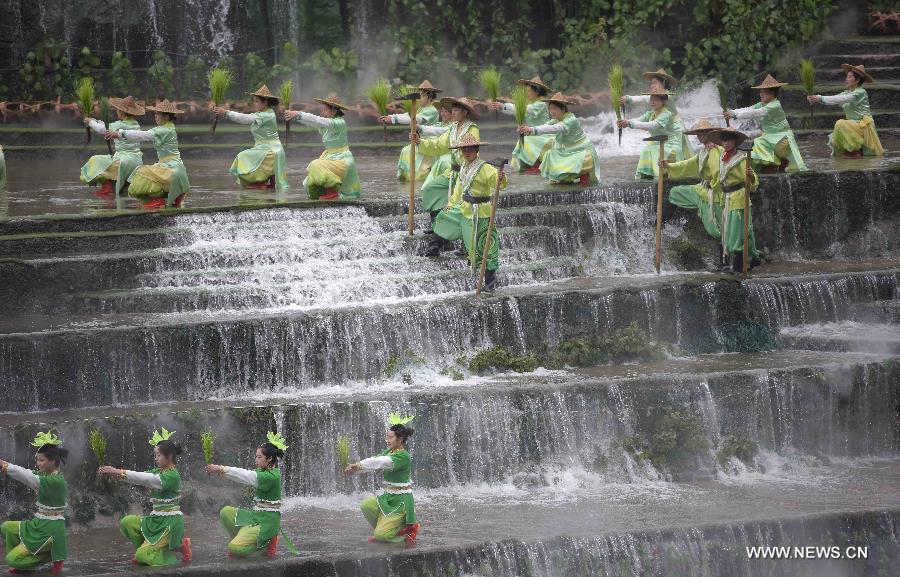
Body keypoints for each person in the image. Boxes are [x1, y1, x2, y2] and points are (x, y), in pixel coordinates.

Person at [415, 133, 506, 290]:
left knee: (486, 246)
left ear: (477, 149)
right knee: (445, 220)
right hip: (465, 209)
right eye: (464, 150)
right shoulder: (463, 166)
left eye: (470, 149)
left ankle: (489, 283)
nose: (467, 152)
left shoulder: (486, 168)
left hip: (482, 212)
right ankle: (436, 245)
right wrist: (451, 203)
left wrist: (501, 178)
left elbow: (499, 185)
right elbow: (459, 188)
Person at [98, 428, 191, 567]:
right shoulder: (159, 471)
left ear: (170, 456)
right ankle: (148, 548)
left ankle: (176, 547)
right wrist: (115, 475)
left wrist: (118, 471)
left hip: (170, 523)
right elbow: (140, 477)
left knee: (142, 557)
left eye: (158, 455)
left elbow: (147, 479)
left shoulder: (172, 476)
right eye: (155, 456)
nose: (156, 459)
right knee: (127, 522)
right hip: (156, 519)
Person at [205, 432, 289, 558]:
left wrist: (221, 468)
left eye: (259, 457)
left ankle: (266, 541)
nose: (256, 460)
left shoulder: (271, 476)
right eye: (256, 457)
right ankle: (242, 539)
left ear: (270, 459)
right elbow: (244, 476)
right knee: (225, 512)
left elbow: (247, 476)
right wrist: (220, 470)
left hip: (266, 523)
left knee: (234, 548)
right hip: (256, 518)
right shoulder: (264, 471)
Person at [344, 414, 419, 544]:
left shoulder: (403, 456)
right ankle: (385, 530)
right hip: (388, 496)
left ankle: (405, 529)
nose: (387, 440)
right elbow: (375, 462)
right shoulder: (390, 452)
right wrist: (355, 469)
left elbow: (380, 462)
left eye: (390, 437)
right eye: (387, 437)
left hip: (401, 501)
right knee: (366, 505)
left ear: (400, 439)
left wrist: (357, 465)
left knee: (380, 535)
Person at [0, 432, 68, 573]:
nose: (38, 463)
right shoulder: (46, 475)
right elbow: (28, 473)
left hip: (50, 529)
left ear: (53, 461)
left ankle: (47, 556)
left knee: (11, 559)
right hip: (39, 523)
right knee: (7, 527)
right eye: (37, 460)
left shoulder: (53, 481)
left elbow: (25, 475)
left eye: (41, 460)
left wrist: (4, 465)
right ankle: (25, 559)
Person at [107, 100, 190, 209]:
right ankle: (166, 198)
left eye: (158, 114)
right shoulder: (168, 127)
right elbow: (144, 134)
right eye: (155, 113)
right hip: (173, 166)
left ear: (166, 116)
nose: (155, 116)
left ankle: (157, 200)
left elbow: (143, 135)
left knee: (141, 172)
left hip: (171, 168)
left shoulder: (164, 131)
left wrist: (119, 133)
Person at [414, 97, 481, 230]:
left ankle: (446, 235)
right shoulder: (453, 128)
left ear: (465, 112)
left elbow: (473, 152)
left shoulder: (472, 129)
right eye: (453, 110)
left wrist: (468, 173)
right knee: (430, 189)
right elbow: (439, 145)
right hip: (452, 173)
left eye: (456, 110)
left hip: (466, 173)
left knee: (457, 203)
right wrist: (419, 142)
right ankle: (436, 225)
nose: (453, 113)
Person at [659, 120, 725, 255]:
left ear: (710, 134)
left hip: (711, 193)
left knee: (714, 229)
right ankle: (660, 222)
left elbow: (717, 172)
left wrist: (713, 186)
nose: (699, 137)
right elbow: (689, 164)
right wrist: (668, 166)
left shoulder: (714, 150)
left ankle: (729, 256)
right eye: (698, 134)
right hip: (701, 189)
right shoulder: (704, 150)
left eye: (702, 134)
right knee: (675, 192)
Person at [724, 74, 807, 173]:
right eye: (760, 91)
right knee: (757, 142)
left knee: (758, 143)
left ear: (772, 93)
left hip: (782, 140)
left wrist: (734, 115)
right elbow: (748, 109)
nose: (761, 94)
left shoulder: (775, 105)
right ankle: (776, 163)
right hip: (770, 138)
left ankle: (774, 163)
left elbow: (756, 113)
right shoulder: (762, 104)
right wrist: (731, 111)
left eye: (764, 92)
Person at [214, 84, 289, 191]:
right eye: (254, 101)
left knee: (242, 156)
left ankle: (259, 181)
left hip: (271, 150)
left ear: (265, 102)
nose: (254, 103)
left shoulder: (267, 115)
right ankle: (259, 181)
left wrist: (226, 113)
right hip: (262, 148)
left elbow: (245, 119)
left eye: (257, 101)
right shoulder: (262, 113)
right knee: (244, 156)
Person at [705, 128, 761, 272]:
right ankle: (750, 260)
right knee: (733, 231)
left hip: (739, 197)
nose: (726, 143)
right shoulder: (723, 156)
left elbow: (752, 176)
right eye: (724, 141)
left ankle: (738, 266)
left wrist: (751, 176)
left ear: (735, 142)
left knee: (736, 233)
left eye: (729, 140)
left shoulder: (741, 157)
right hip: (727, 198)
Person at [284, 94, 360, 200]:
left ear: (333, 110)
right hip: (331, 157)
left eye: (325, 109)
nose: (323, 112)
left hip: (342, 160)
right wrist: (296, 116)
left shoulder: (339, 123)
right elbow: (313, 123)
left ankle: (332, 191)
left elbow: (317, 120)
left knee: (316, 165)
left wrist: (298, 113)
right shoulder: (328, 125)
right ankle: (326, 191)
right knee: (308, 181)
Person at [519, 91, 599, 185]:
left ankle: (583, 175)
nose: (552, 111)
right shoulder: (555, 120)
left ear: (563, 109)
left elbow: (555, 128)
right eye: (550, 109)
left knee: (577, 160)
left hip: (581, 151)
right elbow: (545, 127)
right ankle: (566, 178)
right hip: (567, 150)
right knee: (551, 154)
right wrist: (526, 131)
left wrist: (532, 129)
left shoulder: (570, 120)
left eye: (555, 108)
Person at [807, 63, 884, 158]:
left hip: (864, 126)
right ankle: (852, 151)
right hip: (854, 125)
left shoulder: (860, 92)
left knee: (841, 124)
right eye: (847, 77)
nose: (846, 79)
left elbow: (843, 99)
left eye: (850, 77)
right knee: (841, 125)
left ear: (857, 80)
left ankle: (854, 151)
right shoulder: (847, 92)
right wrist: (817, 98)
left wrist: (820, 98)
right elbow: (836, 99)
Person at [80, 96, 145, 197]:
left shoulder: (117, 125)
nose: (116, 111)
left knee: (96, 160)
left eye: (117, 110)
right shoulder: (136, 125)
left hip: (123, 160)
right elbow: (104, 126)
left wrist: (90, 122)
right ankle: (122, 186)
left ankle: (108, 188)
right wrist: (94, 120)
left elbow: (102, 130)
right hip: (137, 161)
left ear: (122, 112)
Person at [488, 75, 554, 173]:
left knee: (525, 141)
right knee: (523, 141)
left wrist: (503, 105)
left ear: (536, 91)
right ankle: (524, 166)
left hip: (543, 136)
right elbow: (516, 111)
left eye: (528, 91)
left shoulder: (541, 104)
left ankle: (533, 165)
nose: (526, 94)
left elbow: (524, 110)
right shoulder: (531, 103)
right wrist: (500, 107)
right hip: (532, 135)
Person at [619, 68, 691, 157]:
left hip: (674, 129)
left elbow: (644, 98)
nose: (652, 85)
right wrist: (628, 99)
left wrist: (629, 99)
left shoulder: (667, 96)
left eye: (655, 83)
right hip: (662, 128)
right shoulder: (655, 101)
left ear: (663, 83)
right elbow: (646, 98)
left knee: (676, 157)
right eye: (651, 83)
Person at [381, 80, 443, 181]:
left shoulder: (431, 110)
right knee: (406, 150)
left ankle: (420, 178)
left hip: (430, 141)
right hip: (419, 140)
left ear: (430, 97)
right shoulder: (421, 108)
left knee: (418, 168)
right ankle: (407, 178)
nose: (419, 99)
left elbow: (415, 118)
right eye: (420, 96)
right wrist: (391, 117)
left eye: (422, 96)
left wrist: (394, 119)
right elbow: (409, 115)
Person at [617, 87, 682, 179]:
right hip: (657, 144)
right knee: (645, 151)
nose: (652, 102)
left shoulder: (666, 114)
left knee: (651, 151)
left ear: (663, 101)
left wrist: (629, 123)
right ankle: (644, 178)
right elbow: (639, 120)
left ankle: (657, 178)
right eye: (651, 99)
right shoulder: (650, 114)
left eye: (656, 100)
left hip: (670, 145)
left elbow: (652, 125)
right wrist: (625, 122)